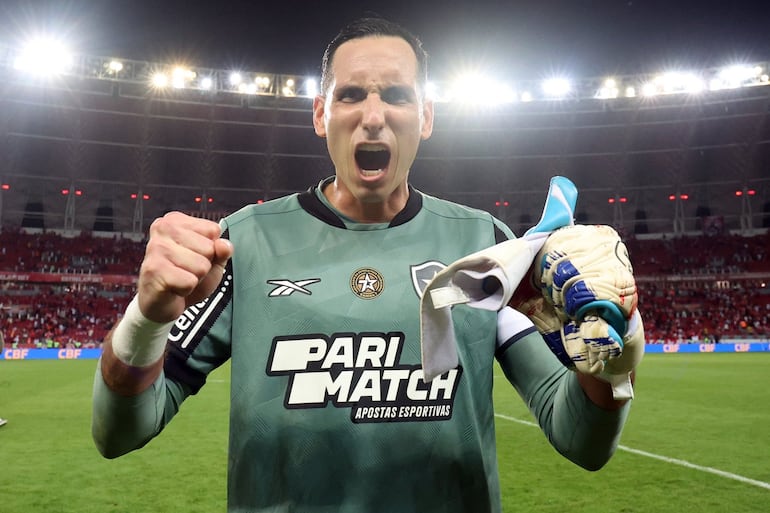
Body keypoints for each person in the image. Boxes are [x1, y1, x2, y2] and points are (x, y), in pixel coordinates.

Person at [92, 17, 640, 513]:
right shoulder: (245, 243)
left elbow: (581, 440)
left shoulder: (485, 245)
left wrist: (613, 358)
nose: (373, 117)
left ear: (425, 117)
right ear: (319, 114)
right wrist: (147, 318)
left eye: (397, 96)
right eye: (351, 94)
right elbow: (119, 433)